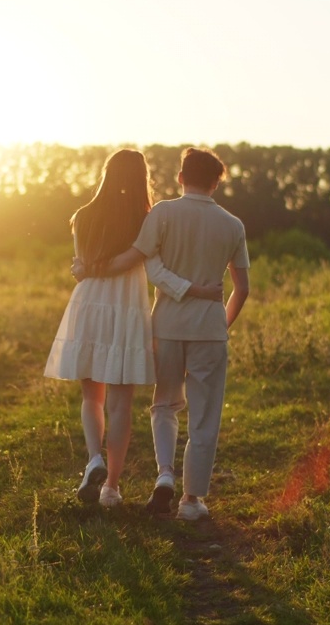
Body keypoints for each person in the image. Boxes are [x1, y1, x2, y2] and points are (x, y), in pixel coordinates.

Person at [44, 149, 223, 508]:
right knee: (121, 403)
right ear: (141, 178)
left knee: (91, 396)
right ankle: (111, 487)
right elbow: (136, 262)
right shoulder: (146, 218)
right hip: (125, 308)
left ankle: (94, 458)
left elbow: (83, 264)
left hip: (89, 305)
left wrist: (89, 270)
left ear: (106, 174)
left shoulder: (82, 216)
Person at [79, 147, 250, 521]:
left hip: (166, 326)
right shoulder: (233, 225)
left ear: (180, 178)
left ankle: (165, 475)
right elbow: (242, 288)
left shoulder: (163, 213)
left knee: (164, 406)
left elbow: (146, 264)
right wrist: (221, 321)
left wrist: (90, 267)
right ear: (216, 182)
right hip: (210, 329)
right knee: (205, 416)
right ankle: (191, 501)